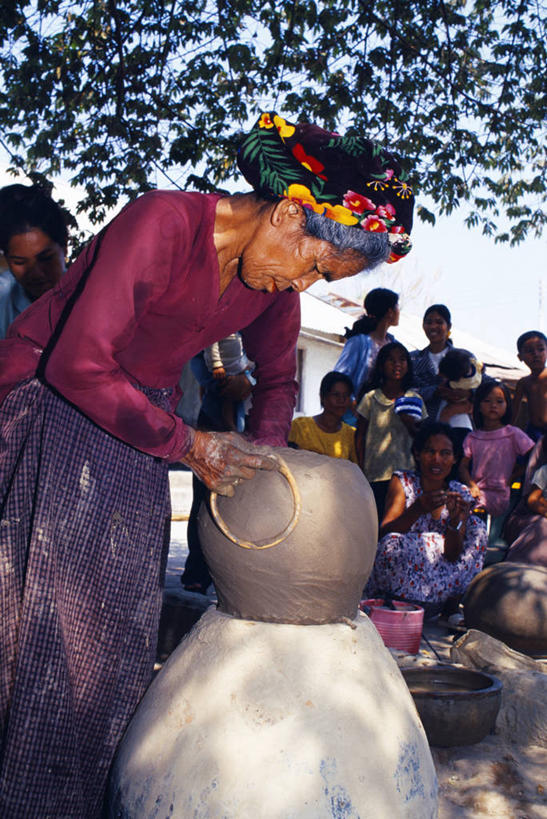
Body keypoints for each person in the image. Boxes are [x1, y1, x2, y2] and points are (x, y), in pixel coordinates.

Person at [0, 111, 415, 816]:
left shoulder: (270, 288)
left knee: (112, 640)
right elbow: (78, 363)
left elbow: (278, 383)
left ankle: (67, 796)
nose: (304, 283)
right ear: (288, 212)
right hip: (48, 407)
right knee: (42, 629)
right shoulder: (164, 223)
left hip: (133, 428)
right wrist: (192, 444)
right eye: (314, 263)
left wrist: (266, 460)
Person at [365, 422, 487, 609]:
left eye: (445, 453)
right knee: (399, 543)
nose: (436, 460)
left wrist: (455, 522)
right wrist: (417, 509)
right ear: (417, 454)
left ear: (454, 458)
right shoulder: (403, 482)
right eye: (430, 452)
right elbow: (384, 534)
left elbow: (453, 555)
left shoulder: (459, 493)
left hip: (441, 576)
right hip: (401, 576)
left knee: (478, 527)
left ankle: (448, 604)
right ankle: (403, 601)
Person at [355, 342, 426, 519]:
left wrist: (410, 424)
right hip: (375, 474)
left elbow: (423, 439)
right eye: (391, 360)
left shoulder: (415, 399)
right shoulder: (371, 398)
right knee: (376, 520)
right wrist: (361, 468)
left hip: (406, 475)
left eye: (402, 360)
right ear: (381, 365)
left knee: (399, 522)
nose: (397, 364)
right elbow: (360, 435)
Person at [0, 183, 68, 337]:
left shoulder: (90, 298)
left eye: (46, 258)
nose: (36, 273)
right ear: (7, 258)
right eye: (19, 262)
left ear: (64, 246)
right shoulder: (3, 299)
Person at [459, 380, 534, 518]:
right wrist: (471, 485)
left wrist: (513, 477)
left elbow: (534, 457)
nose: (493, 406)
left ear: (507, 406)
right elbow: (462, 466)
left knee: (493, 536)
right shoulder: (473, 437)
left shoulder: (513, 434)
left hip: (501, 496)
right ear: (479, 406)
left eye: (499, 401)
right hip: (476, 495)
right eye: (487, 401)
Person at [334, 287, 400, 423]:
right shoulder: (359, 343)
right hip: (354, 418)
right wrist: (355, 410)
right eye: (397, 307)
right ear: (389, 312)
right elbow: (340, 377)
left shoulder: (394, 345)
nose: (399, 311)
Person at [411, 304, 472, 419]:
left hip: (458, 421)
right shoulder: (412, 359)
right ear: (423, 326)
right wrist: (435, 391)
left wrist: (468, 393)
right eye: (429, 322)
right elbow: (405, 391)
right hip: (423, 425)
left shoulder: (465, 357)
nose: (433, 326)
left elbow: (483, 384)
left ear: (448, 326)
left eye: (439, 322)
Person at [288, 371, 357, 462]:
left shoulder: (350, 434)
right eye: (336, 395)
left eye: (346, 396)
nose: (341, 400)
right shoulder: (300, 427)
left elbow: (354, 470)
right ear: (323, 397)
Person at [505, 435, 547, 567]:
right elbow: (533, 499)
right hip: (537, 514)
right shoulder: (544, 471)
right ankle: (520, 565)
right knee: (542, 526)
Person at [203, 332, 255, 431]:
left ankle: (236, 427)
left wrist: (249, 376)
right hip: (225, 366)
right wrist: (216, 364)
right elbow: (211, 342)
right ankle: (230, 426)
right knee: (227, 395)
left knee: (235, 398)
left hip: (239, 364)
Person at [512, 330, 547, 442]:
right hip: (533, 431)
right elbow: (514, 410)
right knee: (529, 458)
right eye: (529, 351)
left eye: (540, 349)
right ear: (520, 357)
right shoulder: (523, 382)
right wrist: (505, 430)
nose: (536, 354)